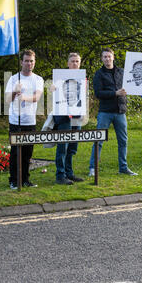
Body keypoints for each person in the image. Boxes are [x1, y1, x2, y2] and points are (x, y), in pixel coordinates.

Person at [88, 47, 138, 176]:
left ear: (113, 57)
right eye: (105, 57)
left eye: (109, 56)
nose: (107, 59)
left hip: (120, 111)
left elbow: (135, 83)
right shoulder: (99, 74)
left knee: (123, 141)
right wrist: (115, 93)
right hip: (105, 112)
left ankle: (123, 168)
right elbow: (98, 93)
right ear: (102, 59)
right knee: (99, 140)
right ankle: (93, 168)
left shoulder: (122, 72)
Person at [5, 50, 44, 189]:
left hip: (30, 121)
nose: (29, 63)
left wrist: (24, 97)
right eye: (26, 61)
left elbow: (37, 98)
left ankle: (25, 179)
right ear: (21, 62)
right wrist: (15, 92)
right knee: (16, 152)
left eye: (31, 61)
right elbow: (8, 99)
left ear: (34, 62)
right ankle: (14, 181)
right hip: (16, 120)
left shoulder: (38, 79)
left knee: (28, 152)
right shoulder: (14, 79)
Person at [53, 52, 85, 185]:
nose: (75, 63)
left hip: (76, 116)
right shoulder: (59, 77)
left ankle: (69, 173)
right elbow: (55, 96)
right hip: (63, 116)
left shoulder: (82, 78)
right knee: (63, 147)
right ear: (67, 63)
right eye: (72, 61)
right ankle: (60, 175)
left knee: (72, 147)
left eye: (77, 61)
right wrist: (53, 88)